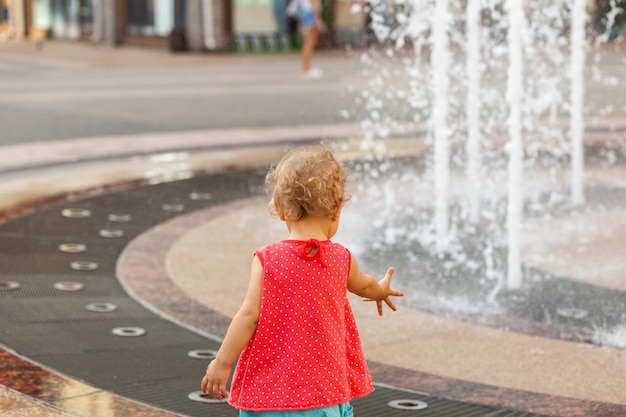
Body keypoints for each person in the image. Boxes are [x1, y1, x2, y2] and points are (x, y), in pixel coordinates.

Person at [201, 145, 404, 416]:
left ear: (278, 207)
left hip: (270, 395)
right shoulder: (341, 258)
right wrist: (380, 291)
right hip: (324, 394)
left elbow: (249, 315)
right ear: (338, 209)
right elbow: (365, 285)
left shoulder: (268, 259)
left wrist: (222, 363)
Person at [287, 0, 325, 78]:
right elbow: (314, 2)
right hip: (310, 13)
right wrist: (318, 18)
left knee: (307, 43)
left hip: (305, 11)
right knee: (310, 43)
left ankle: (305, 68)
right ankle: (306, 69)